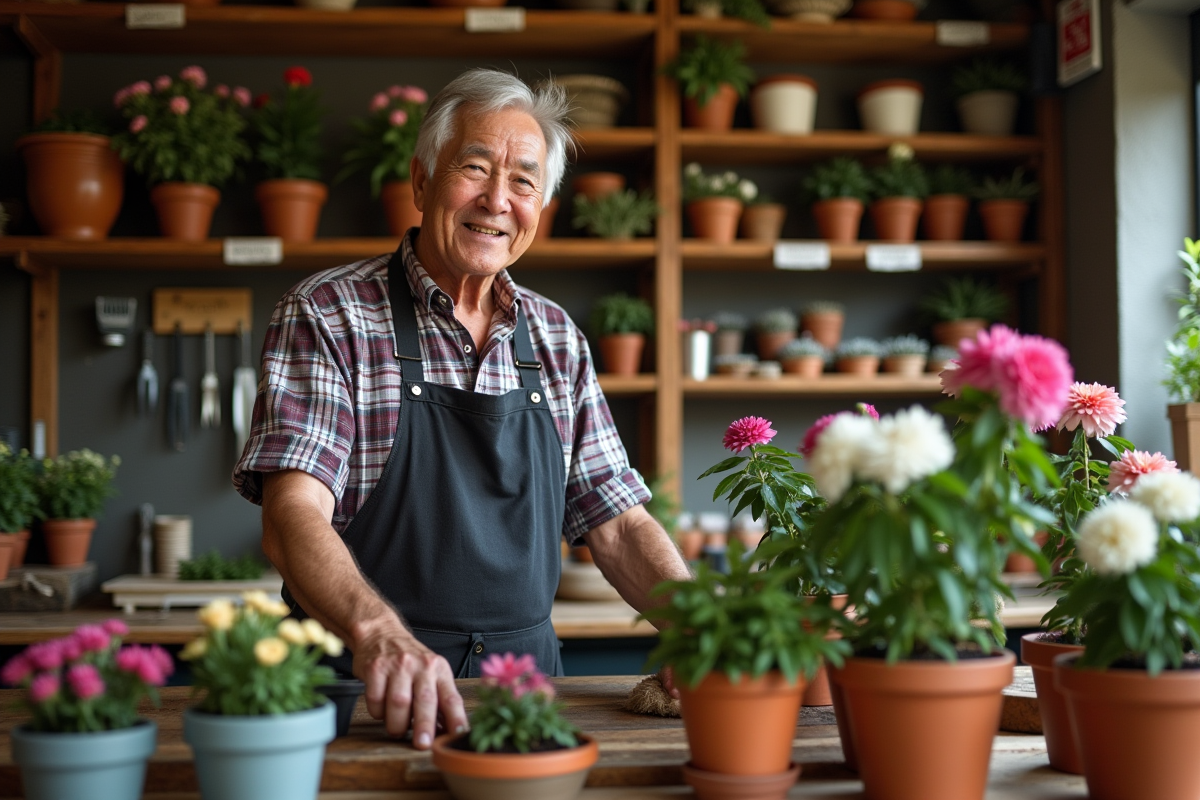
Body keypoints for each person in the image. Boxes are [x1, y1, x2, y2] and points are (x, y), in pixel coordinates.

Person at [232, 68, 691, 750]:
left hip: (525, 698)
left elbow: (617, 522)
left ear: (542, 205)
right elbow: (292, 512)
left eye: (524, 181)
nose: (497, 200)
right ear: (421, 182)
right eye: (474, 168)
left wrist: (704, 632)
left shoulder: (557, 337)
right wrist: (378, 634)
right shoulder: (330, 313)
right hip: (362, 694)